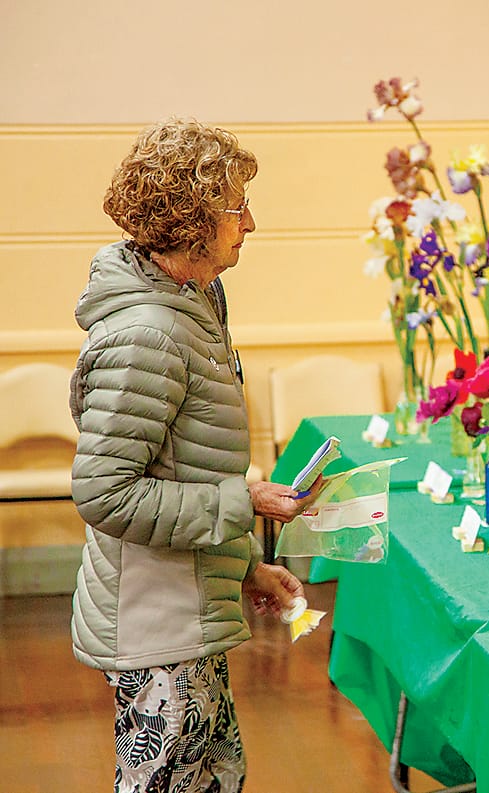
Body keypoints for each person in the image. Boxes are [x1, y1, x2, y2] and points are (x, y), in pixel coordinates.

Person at [69, 118, 319, 792]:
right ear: (190, 218)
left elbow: (189, 467)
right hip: (158, 628)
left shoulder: (196, 298)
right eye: (237, 207)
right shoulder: (148, 333)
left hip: (189, 614)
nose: (252, 222)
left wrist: (246, 568)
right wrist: (248, 502)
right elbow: (106, 493)